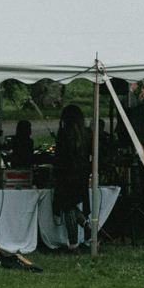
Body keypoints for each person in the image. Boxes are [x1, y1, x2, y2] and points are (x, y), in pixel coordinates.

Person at [52, 104, 90, 250]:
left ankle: (73, 242)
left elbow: (60, 157)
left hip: (66, 175)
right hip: (80, 175)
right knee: (71, 206)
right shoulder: (84, 134)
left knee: (68, 207)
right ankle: (86, 226)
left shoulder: (64, 134)